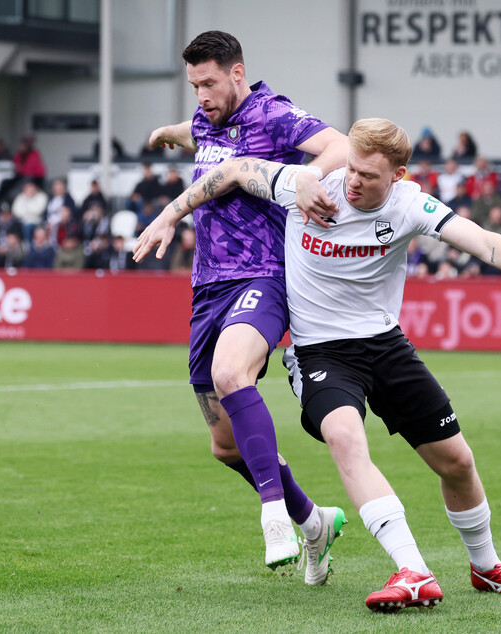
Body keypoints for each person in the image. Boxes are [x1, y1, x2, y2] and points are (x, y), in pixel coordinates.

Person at [135, 117, 501, 612]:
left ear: (399, 175)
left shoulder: (409, 205)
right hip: (320, 352)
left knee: (457, 462)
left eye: (369, 175)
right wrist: (172, 214)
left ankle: (487, 567)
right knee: (346, 437)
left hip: (385, 346)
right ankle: (411, 569)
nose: (354, 182)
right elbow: (233, 170)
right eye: (352, 169)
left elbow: (484, 242)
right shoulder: (307, 187)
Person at [144, 30, 350, 581]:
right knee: (224, 446)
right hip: (207, 287)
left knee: (232, 373)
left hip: (265, 276)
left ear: (238, 72)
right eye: (193, 86)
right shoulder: (209, 120)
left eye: (209, 82)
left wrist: (309, 177)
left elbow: (342, 148)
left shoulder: (274, 113)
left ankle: (274, 516)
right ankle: (313, 522)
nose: (201, 95)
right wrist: (169, 133)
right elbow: (201, 135)